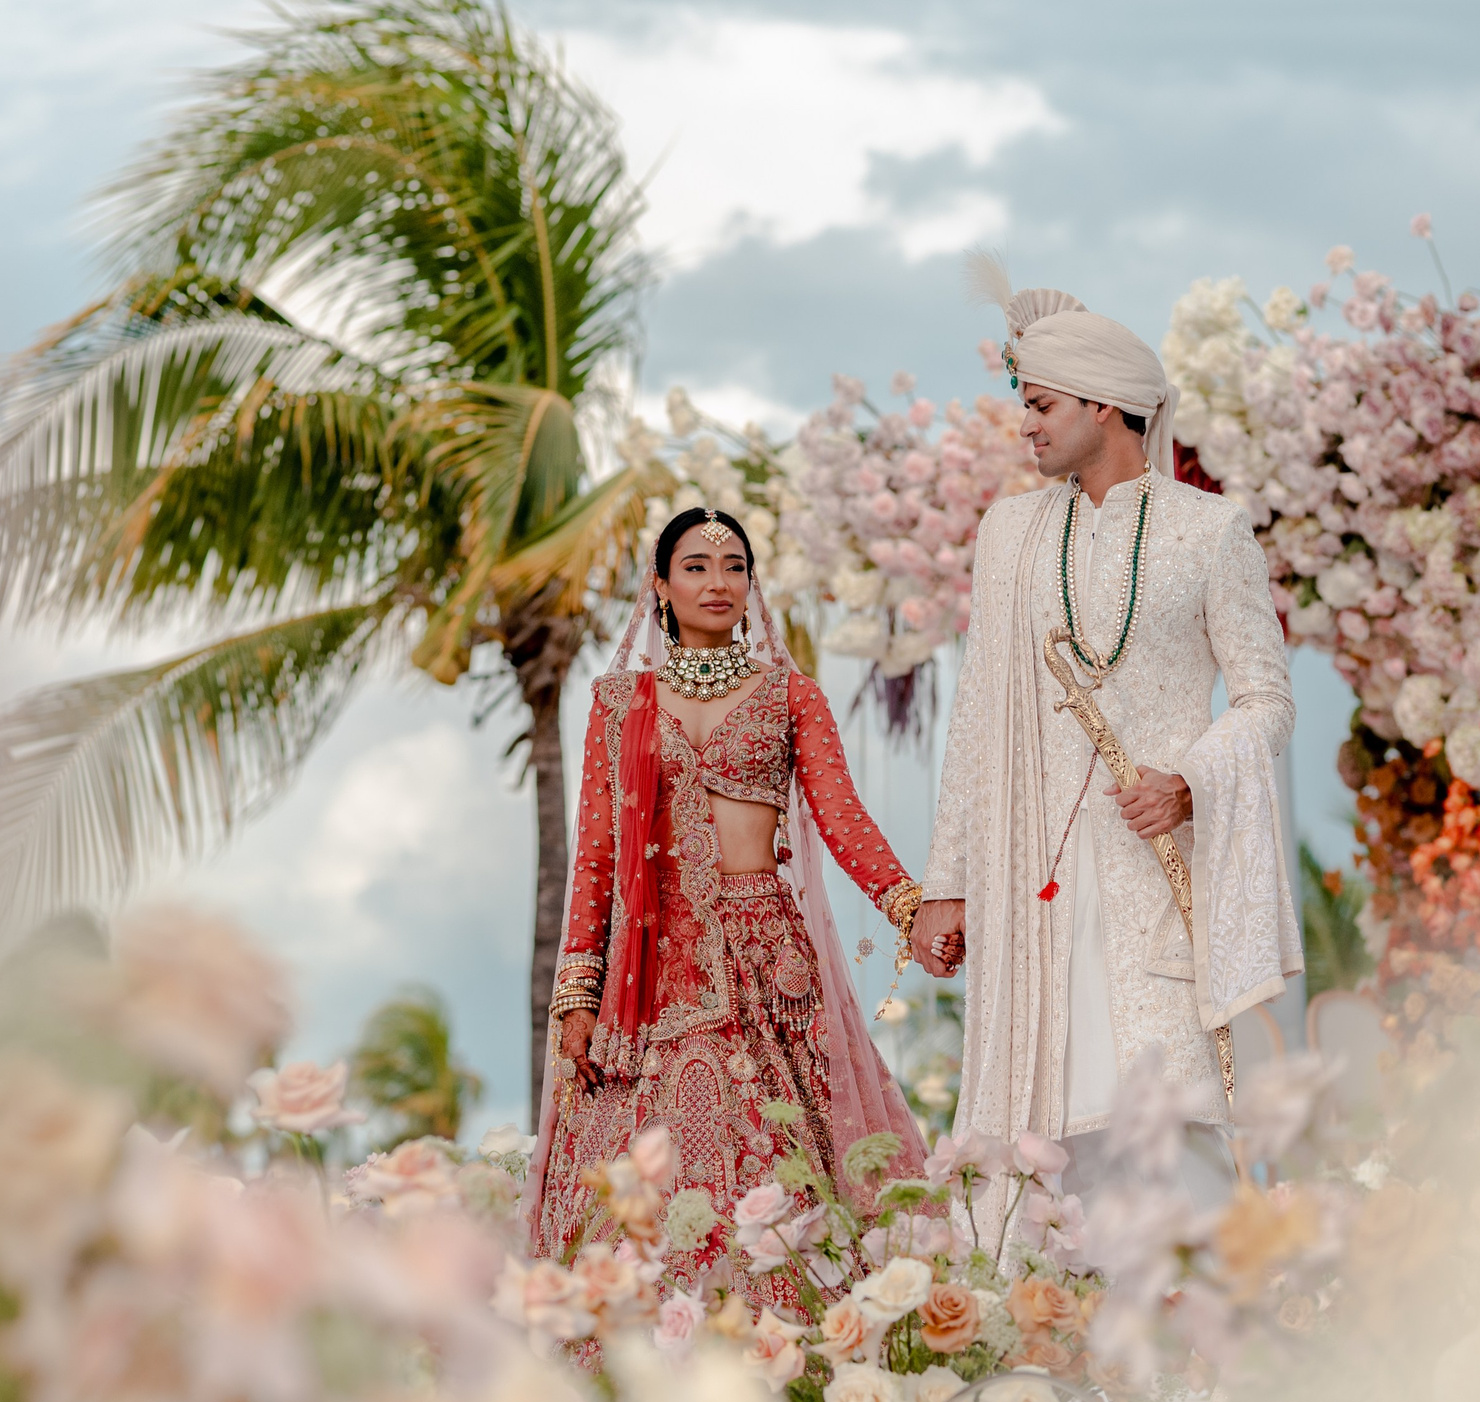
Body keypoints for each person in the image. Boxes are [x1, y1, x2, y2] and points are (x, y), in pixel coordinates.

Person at [913, 264, 1301, 1171]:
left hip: (1146, 867)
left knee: (1164, 1118)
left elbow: (1266, 700)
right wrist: (947, 880)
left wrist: (1191, 782)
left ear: (1108, 406)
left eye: (1044, 404)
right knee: (1032, 1129)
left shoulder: (1209, 530)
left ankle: (1174, 1300)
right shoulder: (1007, 533)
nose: (1028, 424)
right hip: (1026, 873)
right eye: (1027, 404)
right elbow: (975, 717)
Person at [529, 508, 930, 1307]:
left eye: (735, 566)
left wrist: (910, 906)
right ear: (660, 585)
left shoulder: (790, 694)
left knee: (781, 1170)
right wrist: (578, 993)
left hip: (763, 964)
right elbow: (599, 857)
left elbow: (842, 818)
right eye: (697, 566)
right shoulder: (618, 704)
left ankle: (801, 1362)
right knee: (641, 1184)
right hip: (650, 977)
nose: (719, 582)